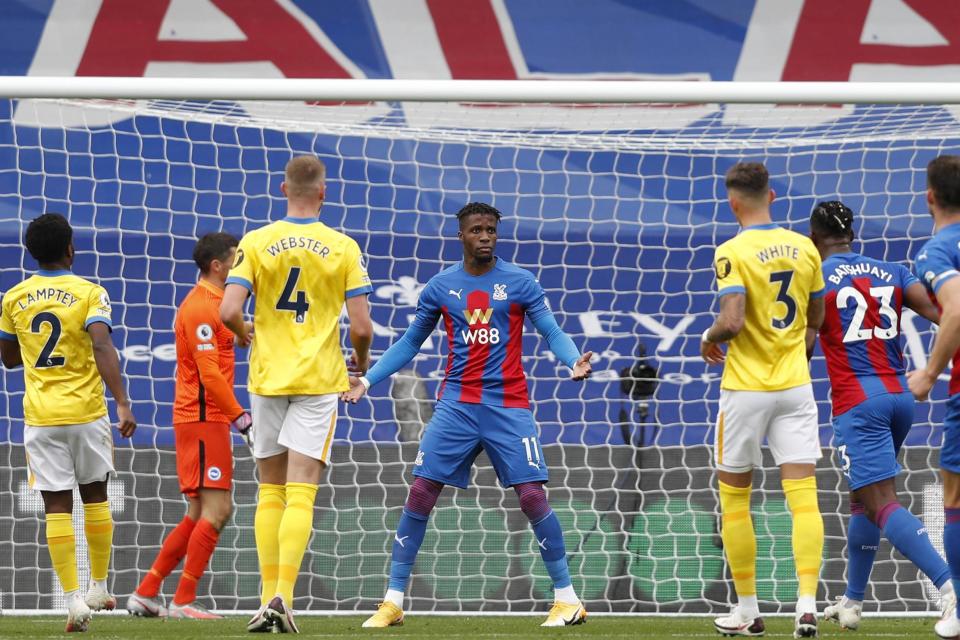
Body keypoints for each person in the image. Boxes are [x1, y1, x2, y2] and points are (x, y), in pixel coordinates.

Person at [342, 201, 594, 629]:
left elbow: (550, 329)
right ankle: (393, 601)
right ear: (461, 235)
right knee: (421, 492)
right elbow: (408, 343)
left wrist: (572, 361)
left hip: (508, 404)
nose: (485, 237)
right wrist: (366, 381)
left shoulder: (519, 282)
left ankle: (567, 599)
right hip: (456, 405)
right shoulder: (441, 287)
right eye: (477, 230)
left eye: (491, 230)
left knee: (532, 496)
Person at [220, 155, 373, 633]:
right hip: (318, 380)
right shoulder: (342, 246)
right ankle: (284, 596)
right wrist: (361, 363)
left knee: (270, 490)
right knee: (302, 492)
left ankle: (266, 598)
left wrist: (246, 332)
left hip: (267, 377)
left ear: (281, 188)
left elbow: (227, 312)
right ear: (323, 193)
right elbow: (363, 326)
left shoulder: (256, 241)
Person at [809, 201, 952, 631]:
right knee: (862, 501)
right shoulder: (891, 270)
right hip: (900, 397)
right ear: (852, 234)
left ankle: (950, 590)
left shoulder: (817, 280)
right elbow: (941, 311)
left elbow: (805, 346)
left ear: (815, 240)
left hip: (858, 402)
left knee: (882, 502)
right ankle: (852, 602)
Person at [701, 163, 825, 638]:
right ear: (772, 195)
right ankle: (807, 604)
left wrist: (707, 337)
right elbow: (816, 314)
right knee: (804, 500)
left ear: (733, 203)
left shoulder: (732, 250)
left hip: (747, 390)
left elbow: (731, 321)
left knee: (735, 498)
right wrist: (797, 346)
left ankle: (748, 610)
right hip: (795, 386)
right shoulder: (805, 247)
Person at [0, 213, 136, 632]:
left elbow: (6, 357)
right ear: (71, 249)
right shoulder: (90, 292)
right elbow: (101, 343)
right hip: (87, 413)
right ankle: (99, 585)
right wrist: (123, 402)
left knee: (56, 504)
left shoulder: (13, 298)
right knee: (95, 495)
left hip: (41, 417)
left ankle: (74, 600)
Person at [127, 232, 253, 619]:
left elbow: (232, 341)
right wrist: (241, 418)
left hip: (205, 418)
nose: (240, 266)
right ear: (218, 266)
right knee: (219, 510)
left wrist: (248, 332)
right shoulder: (200, 306)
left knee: (199, 513)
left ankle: (147, 592)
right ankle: (182, 601)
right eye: (236, 259)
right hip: (203, 418)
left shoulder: (218, 304)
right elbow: (209, 373)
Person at [907, 155, 960, 640]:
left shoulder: (936, 251)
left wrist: (927, 373)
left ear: (929, 197)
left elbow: (956, 310)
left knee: (955, 496)